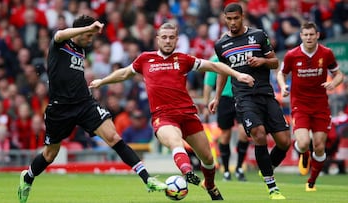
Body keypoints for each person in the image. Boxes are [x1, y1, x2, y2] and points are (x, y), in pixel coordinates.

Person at [89, 22, 255, 200]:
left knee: (207, 158)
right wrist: (102, 81)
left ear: (176, 39)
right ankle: (187, 171)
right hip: (163, 116)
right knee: (176, 142)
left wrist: (237, 75)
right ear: (157, 39)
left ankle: (210, 185)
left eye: (171, 38)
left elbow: (214, 66)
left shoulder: (184, 59)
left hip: (187, 115)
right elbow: (124, 73)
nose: (167, 41)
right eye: (164, 37)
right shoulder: (145, 59)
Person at [17, 15, 167, 203]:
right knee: (50, 154)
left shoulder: (81, 49)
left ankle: (148, 179)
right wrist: (88, 28)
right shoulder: (59, 43)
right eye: (88, 36)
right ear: (81, 31)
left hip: (84, 104)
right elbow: (61, 33)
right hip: (60, 109)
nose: (90, 40)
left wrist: (89, 31)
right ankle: (28, 177)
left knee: (113, 137)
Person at [211, 3, 291, 200]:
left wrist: (262, 61)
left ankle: (266, 168)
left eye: (235, 18)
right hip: (244, 97)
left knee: (284, 142)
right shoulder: (221, 45)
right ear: (224, 18)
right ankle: (272, 187)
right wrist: (217, 97)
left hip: (265, 94)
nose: (232, 22)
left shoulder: (258, 35)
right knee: (259, 133)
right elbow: (223, 72)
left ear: (242, 17)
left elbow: (275, 62)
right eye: (228, 19)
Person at [277, 21, 344, 191]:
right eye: (305, 35)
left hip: (320, 105)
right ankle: (303, 153)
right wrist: (283, 86)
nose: (308, 37)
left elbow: (338, 74)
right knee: (304, 142)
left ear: (317, 35)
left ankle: (311, 182)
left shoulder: (326, 53)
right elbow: (281, 73)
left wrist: (333, 83)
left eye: (311, 34)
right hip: (300, 105)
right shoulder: (292, 55)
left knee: (320, 146)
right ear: (301, 36)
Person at [203, 54, 249, 182]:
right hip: (224, 100)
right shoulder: (214, 60)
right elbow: (208, 83)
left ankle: (239, 167)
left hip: (242, 97)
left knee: (244, 133)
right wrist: (206, 105)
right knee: (225, 135)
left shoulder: (240, 55)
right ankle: (226, 170)